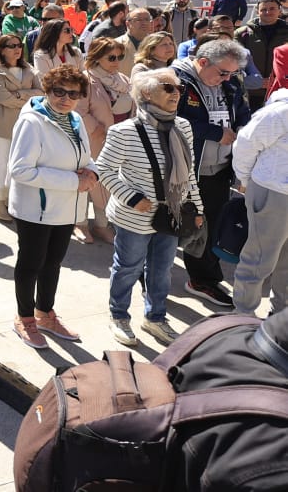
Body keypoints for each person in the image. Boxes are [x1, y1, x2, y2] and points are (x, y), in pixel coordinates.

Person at [98, 70, 202, 346]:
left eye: (179, 88)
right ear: (146, 93)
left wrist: (198, 208)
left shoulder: (183, 127)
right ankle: (118, 316)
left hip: (172, 213)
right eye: (168, 87)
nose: (176, 93)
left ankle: (155, 317)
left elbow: (189, 173)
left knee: (162, 269)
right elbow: (104, 170)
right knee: (128, 267)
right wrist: (132, 198)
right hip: (135, 215)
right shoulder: (124, 132)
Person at [7, 65, 99, 349]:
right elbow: (20, 170)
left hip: (65, 208)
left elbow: (85, 156)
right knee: (31, 264)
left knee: (53, 263)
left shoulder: (74, 119)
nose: (65, 98)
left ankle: (45, 313)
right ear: (47, 90)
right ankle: (24, 317)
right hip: (37, 209)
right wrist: (74, 181)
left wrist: (92, 172)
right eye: (58, 91)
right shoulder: (32, 122)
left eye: (73, 93)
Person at [173, 38, 252, 309]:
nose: (228, 78)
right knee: (173, 226)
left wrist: (244, 131)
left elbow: (242, 113)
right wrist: (215, 133)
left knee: (211, 225)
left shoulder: (230, 80)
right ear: (203, 62)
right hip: (183, 170)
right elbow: (169, 120)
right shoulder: (175, 80)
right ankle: (151, 278)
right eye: (223, 72)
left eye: (232, 73)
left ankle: (203, 279)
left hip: (218, 169)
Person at [232, 86, 288, 314]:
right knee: (259, 260)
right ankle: (242, 318)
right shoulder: (280, 112)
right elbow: (246, 144)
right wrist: (244, 179)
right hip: (274, 193)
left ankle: (281, 320)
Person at [78, 38, 134, 244]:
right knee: (88, 180)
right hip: (94, 139)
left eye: (120, 57)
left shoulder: (122, 79)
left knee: (110, 181)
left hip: (120, 140)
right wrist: (98, 129)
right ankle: (81, 224)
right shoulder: (86, 80)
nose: (117, 61)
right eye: (111, 57)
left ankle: (103, 224)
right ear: (97, 57)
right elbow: (79, 111)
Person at [0, 34, 43, 223]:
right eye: (11, 46)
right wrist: (26, 96)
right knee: (0, 161)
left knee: (17, 162)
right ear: (1, 49)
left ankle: (11, 198)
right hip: (1, 121)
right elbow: (2, 98)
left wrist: (17, 94)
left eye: (19, 45)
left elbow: (41, 94)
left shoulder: (29, 69)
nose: (17, 49)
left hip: (24, 122)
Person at [235, 0, 288, 110]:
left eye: (272, 9)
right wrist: (256, 81)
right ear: (257, 11)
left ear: (280, 10)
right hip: (249, 93)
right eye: (263, 9)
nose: (268, 12)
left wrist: (277, 80)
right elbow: (234, 63)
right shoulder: (242, 33)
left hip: (281, 93)